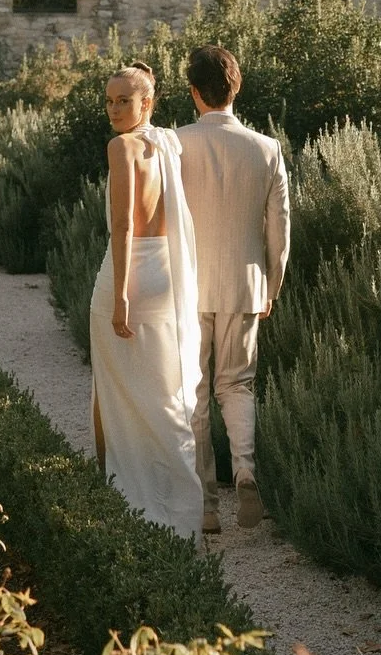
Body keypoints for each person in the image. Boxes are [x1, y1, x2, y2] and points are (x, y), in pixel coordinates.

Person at [89, 61, 205, 545]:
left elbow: (124, 225)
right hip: (168, 275)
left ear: (147, 104)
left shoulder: (123, 147)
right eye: (110, 101)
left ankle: (115, 495)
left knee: (110, 390)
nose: (115, 110)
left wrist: (119, 295)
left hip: (131, 274)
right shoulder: (168, 146)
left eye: (124, 101)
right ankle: (181, 503)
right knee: (163, 393)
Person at [177, 44, 290, 533]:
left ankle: (205, 506)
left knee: (194, 393)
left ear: (194, 92)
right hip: (245, 284)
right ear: (235, 88)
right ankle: (244, 468)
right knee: (237, 385)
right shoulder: (267, 148)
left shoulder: (175, 144)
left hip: (188, 286)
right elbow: (279, 229)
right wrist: (272, 283)